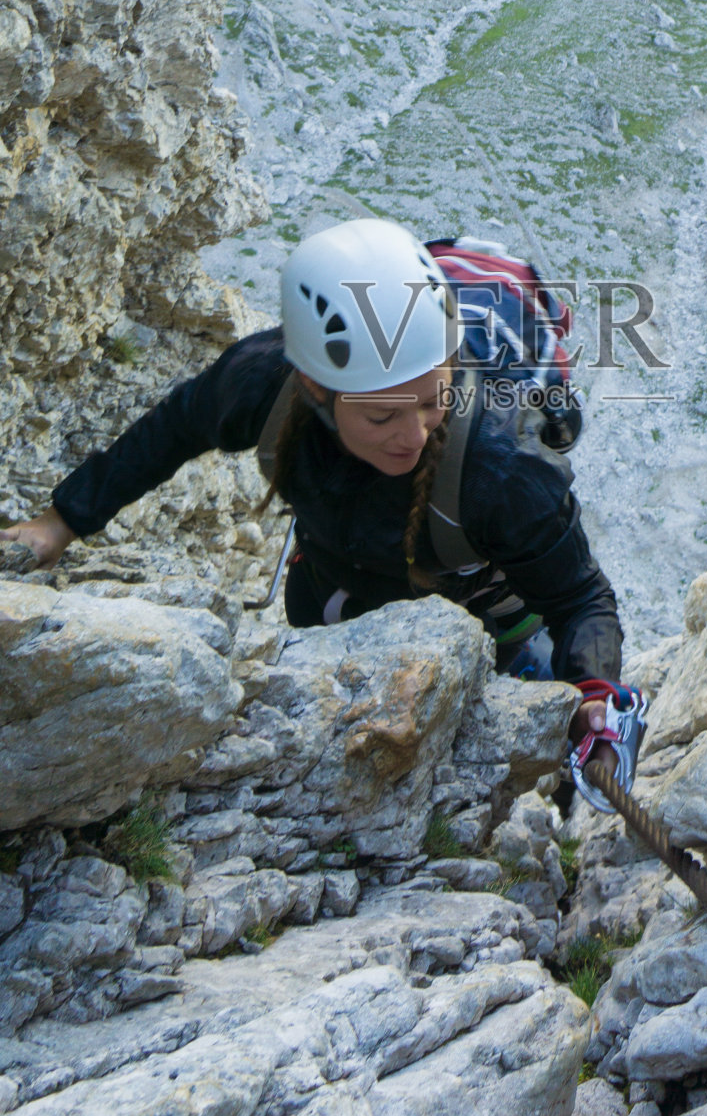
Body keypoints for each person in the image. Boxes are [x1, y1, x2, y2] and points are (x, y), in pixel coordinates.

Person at [1, 218, 646, 801]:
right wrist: (62, 522)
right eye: (382, 416)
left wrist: (593, 691)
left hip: (493, 616)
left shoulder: (502, 465)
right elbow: (171, 430)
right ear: (315, 388)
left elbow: (580, 598)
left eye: (430, 400)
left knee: (529, 770)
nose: (415, 435)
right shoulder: (263, 382)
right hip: (331, 588)